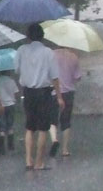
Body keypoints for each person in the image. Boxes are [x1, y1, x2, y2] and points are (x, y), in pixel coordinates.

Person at [15, 23, 65, 171]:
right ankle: (39, 162)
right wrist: (59, 97)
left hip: (28, 92)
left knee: (29, 127)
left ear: (28, 36)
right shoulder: (48, 52)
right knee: (43, 128)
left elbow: (16, 69)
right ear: (42, 36)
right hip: (44, 93)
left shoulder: (21, 50)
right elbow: (54, 76)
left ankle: (28, 161)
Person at [48, 47, 81, 157]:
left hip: (53, 92)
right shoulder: (73, 56)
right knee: (66, 121)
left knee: (52, 119)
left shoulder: (50, 55)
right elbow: (77, 77)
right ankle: (65, 149)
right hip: (68, 93)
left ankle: (54, 139)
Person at [0, 69, 19, 155]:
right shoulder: (11, 81)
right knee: (10, 125)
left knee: (1, 125)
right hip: (10, 104)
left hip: (0, 105)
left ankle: (1, 148)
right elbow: (16, 93)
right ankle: (11, 146)